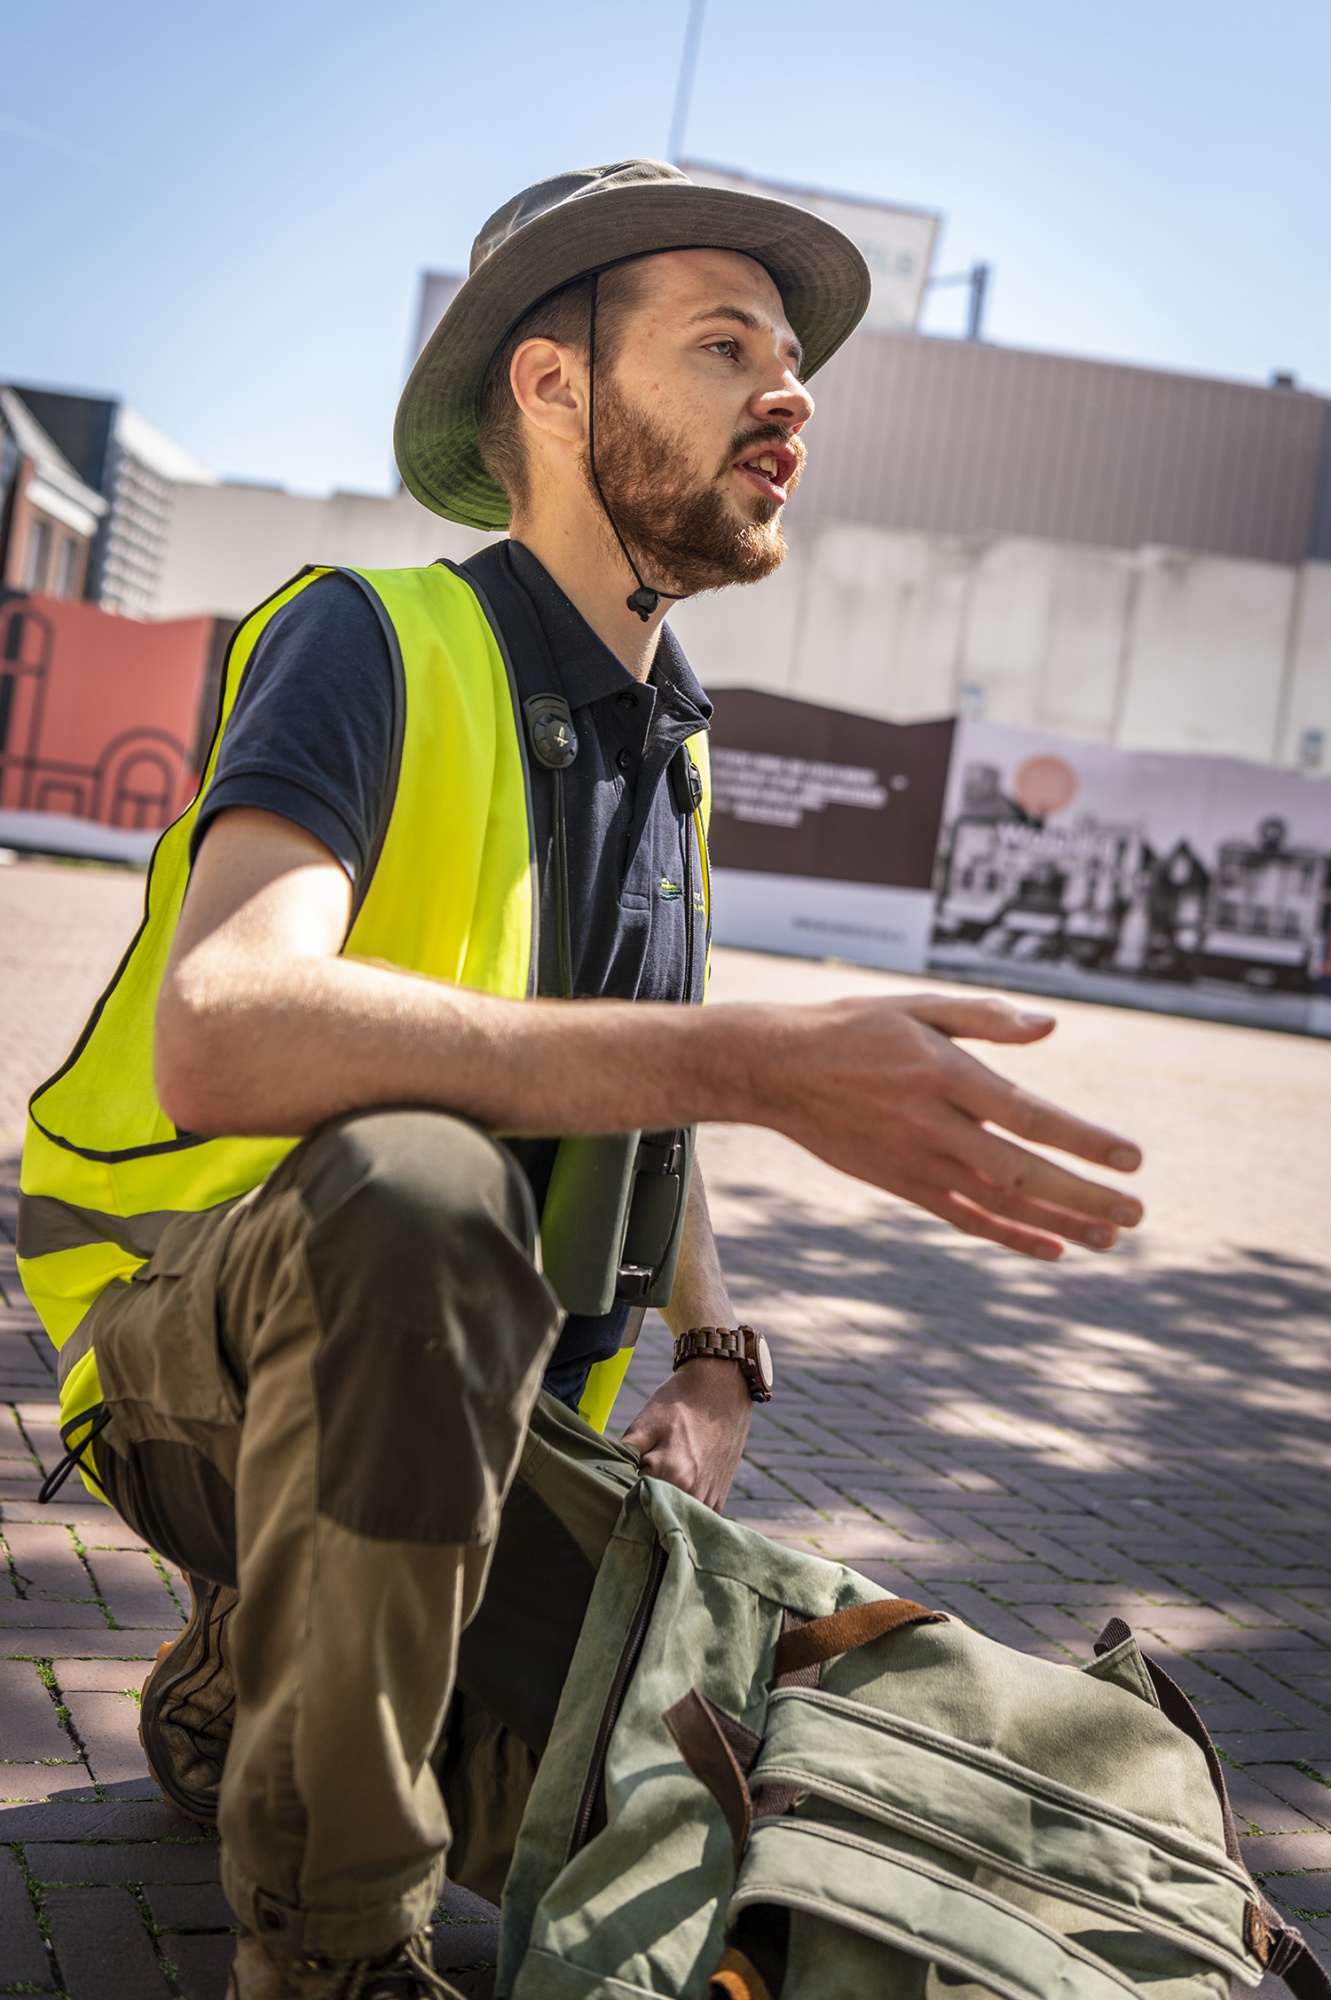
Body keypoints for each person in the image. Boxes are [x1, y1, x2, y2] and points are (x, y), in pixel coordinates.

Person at [17, 161, 1143, 2000]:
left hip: (474, 1422)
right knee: (422, 1190)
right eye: (726, 347)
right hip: (188, 1355)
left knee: (780, 1786)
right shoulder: (371, 641)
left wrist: (714, 1357)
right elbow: (223, 1024)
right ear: (551, 388)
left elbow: (626, 1080)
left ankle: (245, 1679)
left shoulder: (666, 750)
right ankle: (334, 1954)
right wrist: (761, 1062)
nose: (793, 396)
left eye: (797, 364)